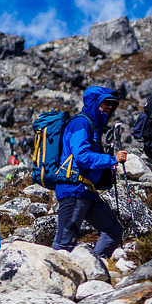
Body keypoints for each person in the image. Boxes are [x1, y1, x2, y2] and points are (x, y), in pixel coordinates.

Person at [52, 87, 127, 258]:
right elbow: (82, 156)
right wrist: (112, 159)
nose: (109, 107)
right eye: (105, 103)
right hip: (74, 190)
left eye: (112, 104)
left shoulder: (93, 125)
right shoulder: (81, 123)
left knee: (113, 229)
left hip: (87, 191)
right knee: (64, 243)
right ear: (94, 102)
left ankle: (93, 267)